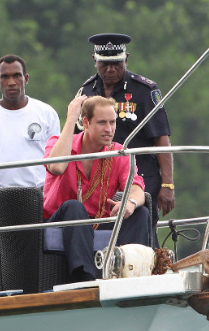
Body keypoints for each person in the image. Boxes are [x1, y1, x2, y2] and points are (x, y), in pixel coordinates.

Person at [44, 95, 150, 282]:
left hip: (97, 221)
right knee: (74, 207)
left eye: (112, 122)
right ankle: (84, 279)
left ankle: (135, 275)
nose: (109, 129)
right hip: (60, 220)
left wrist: (130, 203)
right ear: (85, 122)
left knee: (140, 213)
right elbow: (57, 167)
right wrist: (70, 119)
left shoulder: (118, 152)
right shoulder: (57, 143)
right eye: (102, 123)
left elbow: (137, 188)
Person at [77, 33, 175, 218]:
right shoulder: (86, 91)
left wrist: (168, 184)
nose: (110, 69)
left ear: (126, 59)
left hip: (140, 175)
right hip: (98, 180)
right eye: (105, 64)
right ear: (95, 61)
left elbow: (161, 138)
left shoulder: (145, 90)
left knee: (141, 231)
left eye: (117, 63)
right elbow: (77, 137)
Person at [0, 54, 60, 188]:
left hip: (41, 194)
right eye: (5, 77)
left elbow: (57, 163)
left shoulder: (47, 113)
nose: (11, 82)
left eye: (17, 75)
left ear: (26, 79)